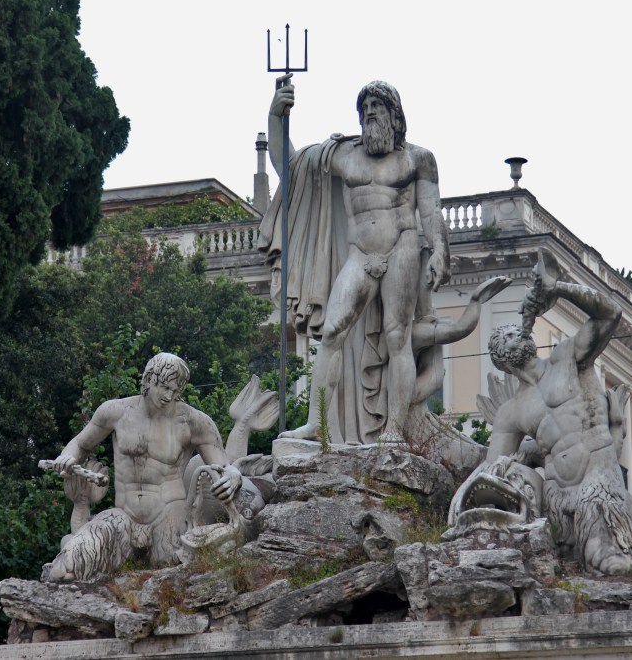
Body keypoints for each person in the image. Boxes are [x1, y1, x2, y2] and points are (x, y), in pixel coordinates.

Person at [260, 76, 450, 443]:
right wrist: (276, 116)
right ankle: (318, 424)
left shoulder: (418, 158)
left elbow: (431, 210)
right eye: (364, 110)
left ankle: (394, 429)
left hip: (403, 248)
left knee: (398, 338)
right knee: (332, 331)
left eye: (376, 109)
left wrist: (440, 250)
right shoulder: (343, 155)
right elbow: (291, 168)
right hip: (360, 253)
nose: (368, 116)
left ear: (394, 115)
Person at [484, 251, 632, 580]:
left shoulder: (566, 358)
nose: (518, 333)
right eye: (507, 336)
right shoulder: (511, 411)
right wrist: (517, 462)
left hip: (597, 481)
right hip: (556, 499)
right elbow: (491, 472)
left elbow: (610, 315)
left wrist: (557, 288)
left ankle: (625, 560)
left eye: (516, 331)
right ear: (502, 359)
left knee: (608, 561)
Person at [42, 353, 241, 580]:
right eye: (164, 387)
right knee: (68, 565)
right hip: (123, 516)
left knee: (170, 572)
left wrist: (234, 476)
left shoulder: (194, 422)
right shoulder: (115, 412)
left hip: (169, 516)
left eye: (176, 391)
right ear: (148, 380)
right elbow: (80, 443)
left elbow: (224, 466)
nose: (169, 396)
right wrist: (67, 457)